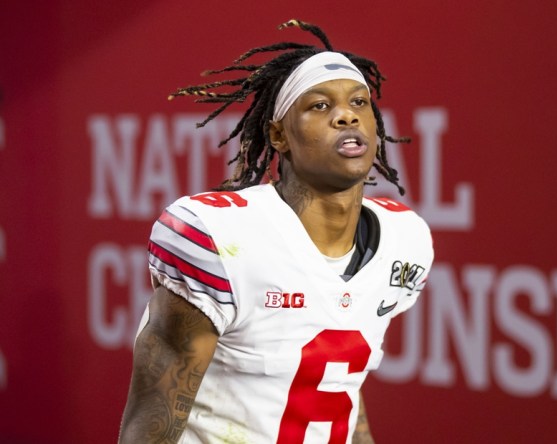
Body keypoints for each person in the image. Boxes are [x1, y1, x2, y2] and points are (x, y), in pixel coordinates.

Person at [118, 19, 434, 444]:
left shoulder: (404, 240)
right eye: (320, 106)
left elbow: (339, 390)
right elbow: (151, 422)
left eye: (359, 103)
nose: (346, 115)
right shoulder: (221, 239)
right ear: (279, 135)